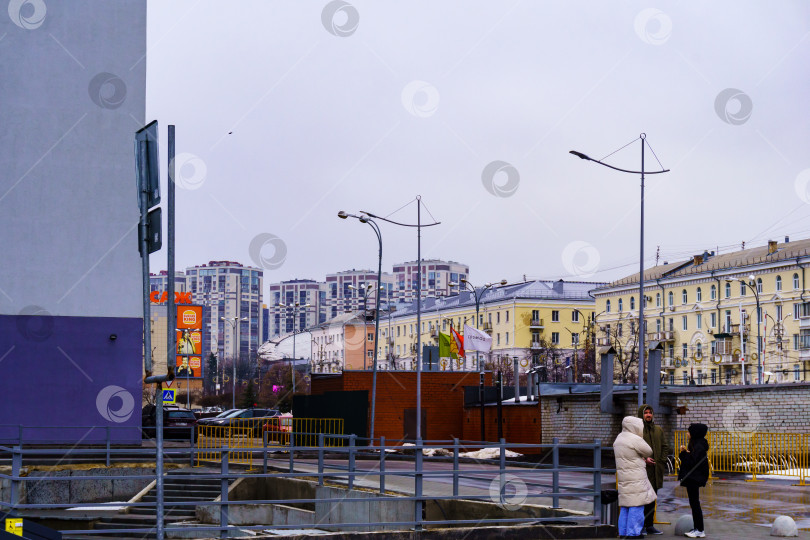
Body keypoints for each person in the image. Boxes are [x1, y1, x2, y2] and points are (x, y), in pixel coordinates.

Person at [614, 416, 657, 539]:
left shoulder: (619, 438)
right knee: (636, 506)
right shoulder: (634, 439)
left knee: (626, 506)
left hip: (624, 477)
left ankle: (623, 533)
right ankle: (633, 534)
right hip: (636, 478)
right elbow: (648, 451)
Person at [638, 404, 670, 535]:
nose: (648, 415)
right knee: (641, 499)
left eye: (650, 413)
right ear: (642, 415)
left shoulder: (658, 430)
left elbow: (665, 446)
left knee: (652, 498)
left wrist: (661, 461)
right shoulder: (638, 430)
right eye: (646, 413)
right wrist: (644, 459)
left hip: (656, 470)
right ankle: (641, 526)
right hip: (642, 470)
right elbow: (634, 449)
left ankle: (649, 525)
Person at [678, 423, 710, 538]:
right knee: (694, 503)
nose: (687, 434)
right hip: (693, 477)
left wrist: (683, 453)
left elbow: (692, 463)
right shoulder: (697, 444)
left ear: (694, 433)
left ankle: (700, 530)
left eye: (689, 432)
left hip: (694, 477)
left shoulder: (699, 446)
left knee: (695, 503)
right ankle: (697, 528)